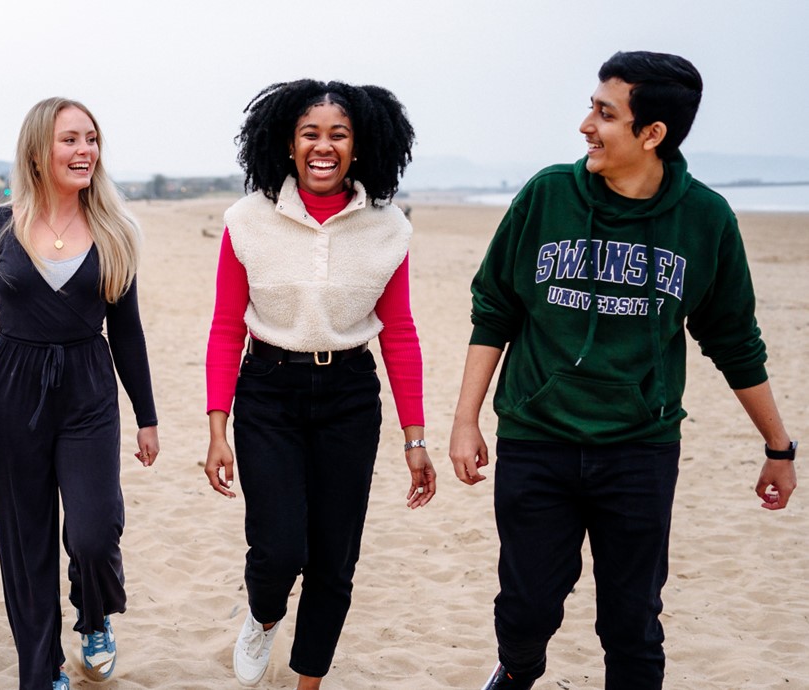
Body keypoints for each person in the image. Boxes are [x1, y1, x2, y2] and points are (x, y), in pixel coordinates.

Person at [449, 51, 798, 690]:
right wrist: (466, 419)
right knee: (525, 611)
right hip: (536, 438)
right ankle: (520, 668)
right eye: (592, 106)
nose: (586, 124)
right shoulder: (548, 195)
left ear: (652, 133)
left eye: (605, 112)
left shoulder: (705, 219)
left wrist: (778, 445)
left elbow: (734, 340)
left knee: (632, 622)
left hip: (639, 449)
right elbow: (494, 307)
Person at [203, 79, 434, 689]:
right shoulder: (245, 220)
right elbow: (227, 327)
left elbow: (400, 332)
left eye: (338, 134)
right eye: (311, 134)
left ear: (359, 147)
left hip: (350, 396)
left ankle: (309, 681)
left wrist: (416, 439)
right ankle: (262, 615)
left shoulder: (390, 228)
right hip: (268, 390)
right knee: (279, 549)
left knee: (335, 559)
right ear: (288, 143)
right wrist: (216, 427)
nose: (324, 146)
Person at [0, 97, 160, 690]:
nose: (84, 150)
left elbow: (128, 331)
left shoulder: (115, 230)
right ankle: (41, 671)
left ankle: (93, 616)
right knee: (25, 540)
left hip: (89, 386)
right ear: (39, 151)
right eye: (70, 140)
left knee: (93, 529)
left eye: (91, 139)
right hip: (13, 389)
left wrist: (146, 415)